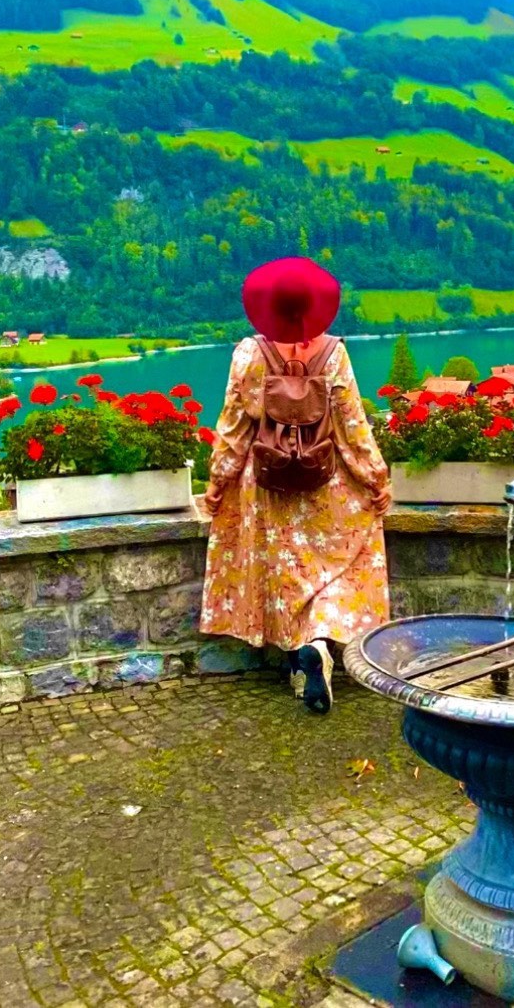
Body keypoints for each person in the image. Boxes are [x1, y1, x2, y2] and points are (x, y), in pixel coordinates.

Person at [201, 256, 391, 714]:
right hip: (323, 482)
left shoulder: (249, 354)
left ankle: (297, 656)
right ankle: (320, 644)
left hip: (267, 483)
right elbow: (353, 427)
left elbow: (232, 429)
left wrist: (217, 482)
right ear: (315, 306)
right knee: (332, 567)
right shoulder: (333, 353)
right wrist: (375, 479)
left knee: (284, 570)